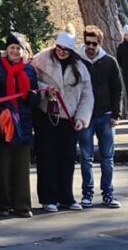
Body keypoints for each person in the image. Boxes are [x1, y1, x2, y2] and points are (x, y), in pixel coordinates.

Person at [32, 31, 94, 213]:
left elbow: (87, 95)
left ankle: (66, 196)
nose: (61, 52)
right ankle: (48, 197)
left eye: (65, 50)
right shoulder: (40, 59)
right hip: (46, 115)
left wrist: (82, 118)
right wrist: (44, 89)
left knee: (67, 159)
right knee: (46, 157)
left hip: (69, 118)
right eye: (58, 48)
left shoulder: (80, 67)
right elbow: (29, 82)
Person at [0, 33, 38, 217]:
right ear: (6, 50)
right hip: (4, 120)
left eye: (18, 48)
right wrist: (1, 110)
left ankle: (22, 204)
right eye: (12, 48)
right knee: (3, 164)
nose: (15, 51)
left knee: (21, 165)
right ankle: (4, 203)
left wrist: (34, 96)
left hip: (24, 121)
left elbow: (34, 91)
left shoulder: (29, 70)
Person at [78, 26, 122, 209]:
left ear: (100, 43)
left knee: (107, 157)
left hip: (105, 115)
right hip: (85, 116)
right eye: (87, 43)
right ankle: (87, 194)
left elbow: (117, 89)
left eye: (94, 44)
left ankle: (108, 194)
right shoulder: (77, 61)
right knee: (86, 157)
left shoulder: (110, 62)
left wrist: (116, 114)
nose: (90, 47)